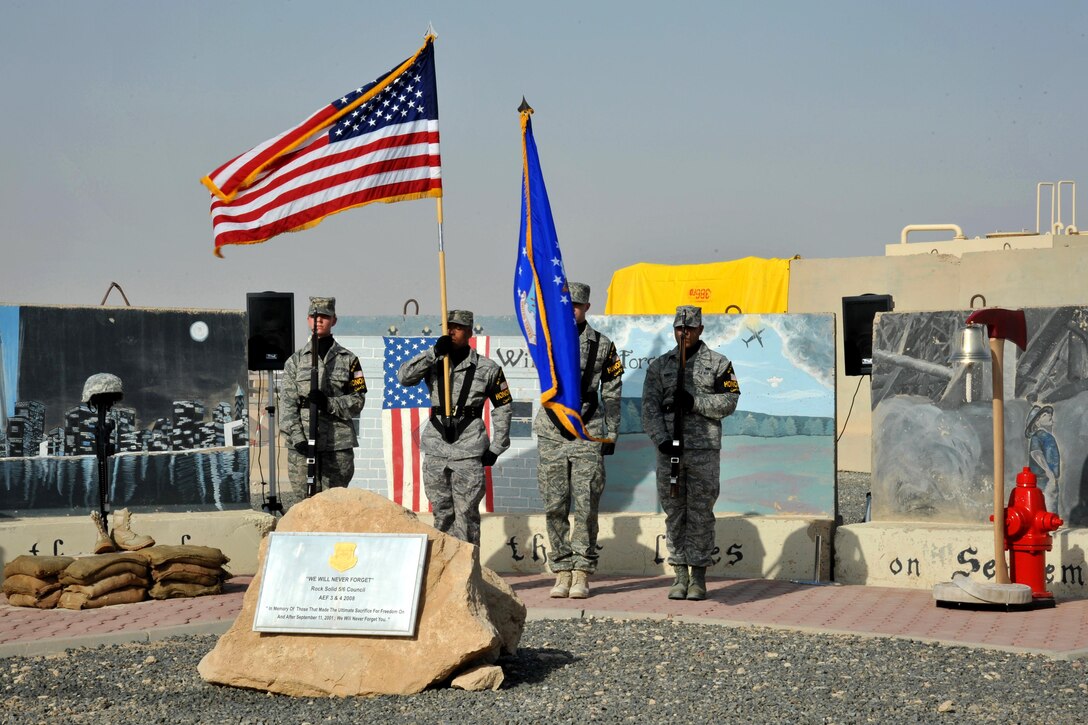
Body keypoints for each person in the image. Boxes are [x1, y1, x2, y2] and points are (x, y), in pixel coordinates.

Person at [641, 305, 740, 601]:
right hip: (670, 450)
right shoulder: (660, 366)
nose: (684, 334)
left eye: (689, 329)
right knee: (674, 512)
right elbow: (649, 408)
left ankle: (698, 577)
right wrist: (661, 440)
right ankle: (679, 574)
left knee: (700, 513)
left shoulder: (719, 363)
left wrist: (696, 402)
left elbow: (729, 401)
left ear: (700, 330)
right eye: (679, 329)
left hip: (703, 451)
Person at [533, 282, 624, 599]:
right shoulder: (546, 340)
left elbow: (612, 392)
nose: (571, 310)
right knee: (554, 505)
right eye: (566, 304)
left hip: (588, 430)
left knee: (586, 505)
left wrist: (610, 431)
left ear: (586, 308)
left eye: (576, 305)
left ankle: (582, 571)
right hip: (552, 430)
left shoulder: (603, 345)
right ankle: (561, 571)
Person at [398, 310, 513, 546]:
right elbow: (404, 377)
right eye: (447, 326)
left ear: (469, 332)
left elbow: (503, 407)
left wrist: (497, 447)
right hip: (437, 450)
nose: (451, 331)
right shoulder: (434, 362)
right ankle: (444, 567)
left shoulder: (487, 368)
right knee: (442, 513)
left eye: (457, 327)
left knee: (467, 514)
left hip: (468, 450)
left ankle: (466, 569)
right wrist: (433, 353)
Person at [279, 296, 367, 499]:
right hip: (302, 447)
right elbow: (287, 405)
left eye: (324, 317)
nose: (318, 320)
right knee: (304, 505)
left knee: (335, 505)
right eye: (313, 316)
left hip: (337, 447)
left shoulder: (349, 360)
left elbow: (357, 402)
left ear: (334, 320)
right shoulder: (295, 361)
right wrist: (298, 439)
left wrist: (329, 403)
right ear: (308, 320)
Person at [1025, 403, 1060, 514]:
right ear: (1037, 421)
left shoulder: (1047, 436)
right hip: (1043, 480)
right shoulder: (1038, 435)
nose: (1050, 416)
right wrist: (1049, 472)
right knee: (1047, 509)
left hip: (1049, 478)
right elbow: (1036, 454)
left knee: (1051, 507)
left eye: (1050, 414)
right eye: (1045, 414)